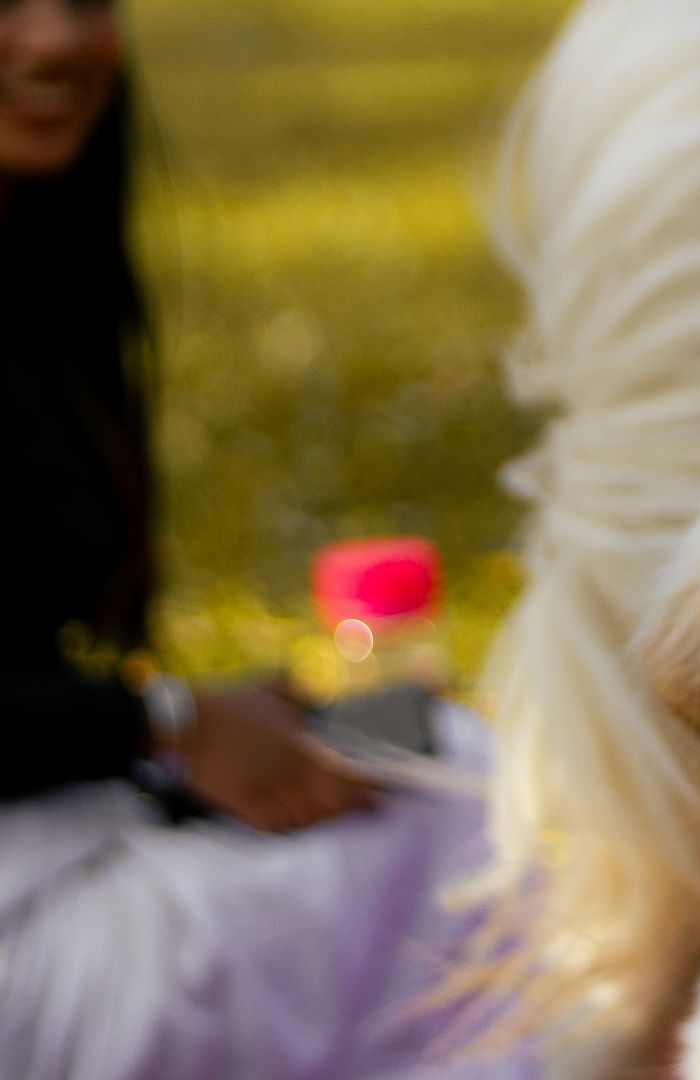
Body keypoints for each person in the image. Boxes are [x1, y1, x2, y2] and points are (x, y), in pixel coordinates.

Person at [0, 2, 533, 1075]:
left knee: (435, 750)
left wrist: (194, 724)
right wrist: (170, 722)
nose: (57, 40)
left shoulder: (40, 276)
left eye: (86, 1)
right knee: (464, 850)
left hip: (68, 811)